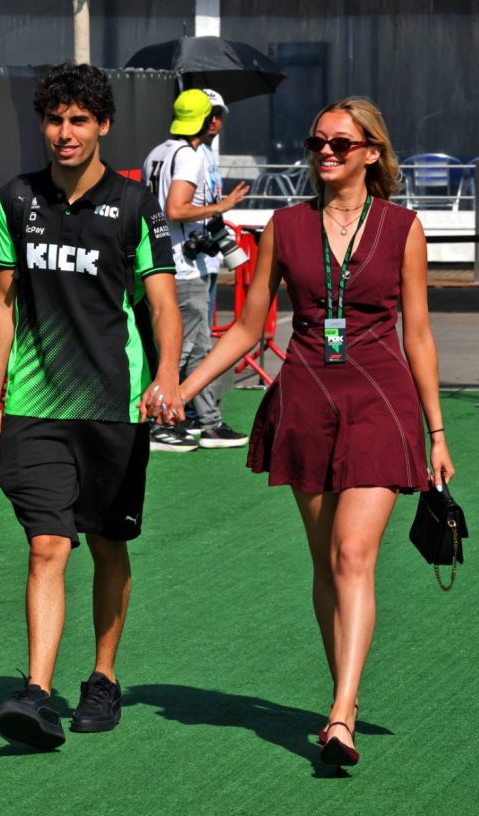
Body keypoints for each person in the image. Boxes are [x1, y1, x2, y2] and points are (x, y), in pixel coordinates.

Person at [179, 97, 455, 768]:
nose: (324, 151)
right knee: (324, 564)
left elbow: (416, 334)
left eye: (340, 142)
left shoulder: (402, 227)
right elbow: (248, 327)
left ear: (369, 152)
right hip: (303, 400)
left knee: (352, 556)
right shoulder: (285, 225)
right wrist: (184, 390)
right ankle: (345, 699)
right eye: (316, 141)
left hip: (379, 402)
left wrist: (437, 432)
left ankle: (338, 715)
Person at [0, 62, 183, 751]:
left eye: (78, 121)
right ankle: (36, 692)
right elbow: (3, 303)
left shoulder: (134, 206)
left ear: (102, 126)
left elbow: (160, 303)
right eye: (54, 120)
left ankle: (101, 676)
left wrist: (167, 377)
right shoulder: (15, 199)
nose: (64, 134)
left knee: (107, 544)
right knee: (46, 546)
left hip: (114, 407)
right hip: (36, 407)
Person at [142, 89, 250, 452]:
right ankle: (158, 423)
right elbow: (176, 209)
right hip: (182, 268)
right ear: (205, 121)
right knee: (182, 350)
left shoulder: (158, 152)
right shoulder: (189, 155)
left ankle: (207, 422)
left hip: (165, 261)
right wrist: (224, 204)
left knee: (197, 347)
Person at [200, 89, 228, 328]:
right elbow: (175, 208)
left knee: (203, 335)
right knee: (193, 341)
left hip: (210, 253)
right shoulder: (191, 153)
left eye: (218, 114)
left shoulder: (207, 153)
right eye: (209, 114)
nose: (214, 120)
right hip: (191, 261)